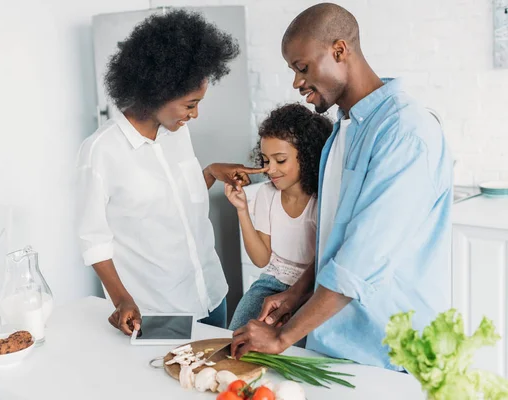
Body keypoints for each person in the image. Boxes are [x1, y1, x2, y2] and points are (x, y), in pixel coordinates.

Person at [231, 3, 453, 370]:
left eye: (302, 68)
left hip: (390, 353)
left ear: (339, 51)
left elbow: (361, 259)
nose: (297, 82)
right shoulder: (343, 130)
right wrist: (295, 294)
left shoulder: (406, 131)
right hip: (337, 342)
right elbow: (338, 240)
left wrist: (282, 336)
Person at [76, 10, 266, 335]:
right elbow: (94, 240)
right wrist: (121, 300)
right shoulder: (101, 151)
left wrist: (210, 173)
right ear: (157, 92)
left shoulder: (178, 132)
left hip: (212, 295)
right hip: (160, 311)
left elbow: (173, 202)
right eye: (190, 104)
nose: (195, 114)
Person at [225, 103, 331, 331]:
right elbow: (261, 259)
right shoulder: (266, 194)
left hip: (311, 290)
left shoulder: (322, 200)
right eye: (265, 160)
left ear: (307, 156)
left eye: (280, 160)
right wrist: (242, 210)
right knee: (236, 335)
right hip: (272, 283)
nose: (270, 170)